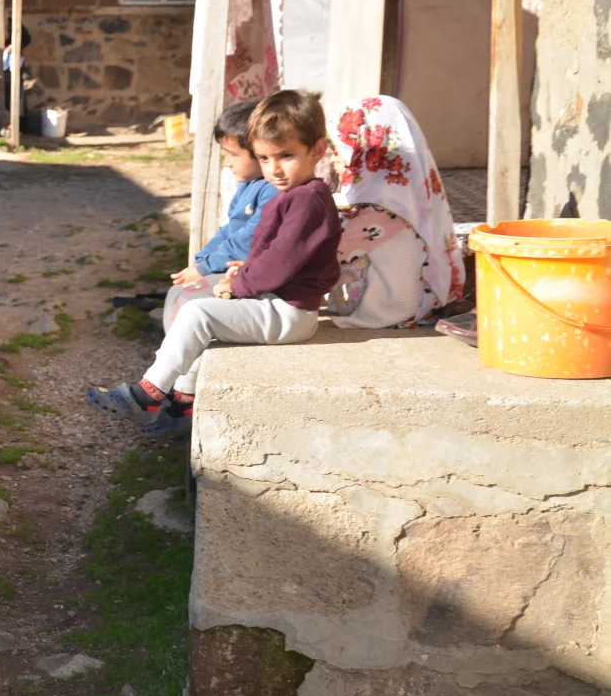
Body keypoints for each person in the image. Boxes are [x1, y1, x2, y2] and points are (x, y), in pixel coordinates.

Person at [87, 90, 340, 437]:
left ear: (318, 150)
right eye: (265, 158)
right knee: (201, 321)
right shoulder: (296, 194)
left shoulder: (307, 201)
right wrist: (244, 271)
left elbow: (280, 262)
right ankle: (183, 404)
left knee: (198, 315)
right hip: (278, 303)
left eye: (286, 155)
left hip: (289, 313)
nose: (275, 169)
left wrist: (238, 284)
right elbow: (278, 254)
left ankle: (147, 394)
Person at [325, 95, 463, 329]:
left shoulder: (379, 205)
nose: (333, 156)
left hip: (394, 307)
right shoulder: (408, 192)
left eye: (339, 147)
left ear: (367, 145)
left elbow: (330, 249)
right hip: (423, 296)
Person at [163, 97, 277, 330]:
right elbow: (229, 229)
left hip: (257, 281)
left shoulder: (273, 191)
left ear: (259, 150)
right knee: (178, 294)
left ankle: (184, 361)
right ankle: (176, 356)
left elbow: (248, 238)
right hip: (232, 268)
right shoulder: (249, 186)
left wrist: (205, 269)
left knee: (188, 301)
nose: (227, 163)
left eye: (233, 154)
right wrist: (201, 261)